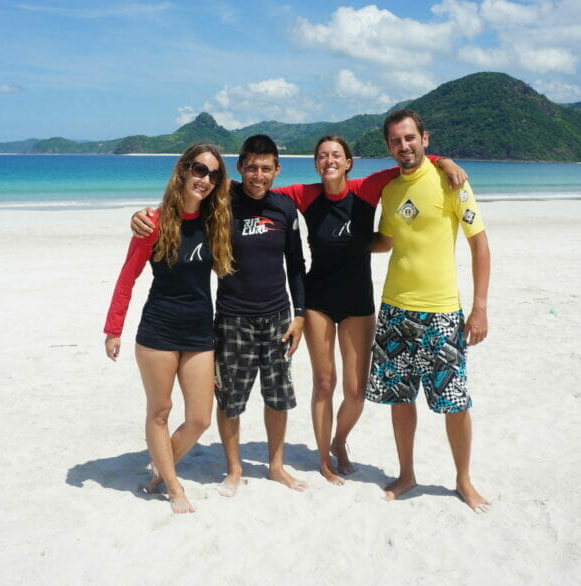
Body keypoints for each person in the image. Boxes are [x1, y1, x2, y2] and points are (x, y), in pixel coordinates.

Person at [273, 137, 467, 484]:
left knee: (356, 393)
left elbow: (409, 161)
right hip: (318, 300)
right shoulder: (304, 194)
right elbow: (254, 192)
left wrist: (446, 160)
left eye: (336, 155)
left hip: (358, 303)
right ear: (316, 163)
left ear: (348, 162)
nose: (328, 160)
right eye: (322, 156)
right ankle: (324, 461)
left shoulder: (366, 188)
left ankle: (339, 440)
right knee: (323, 383)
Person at [131, 135, 308, 494]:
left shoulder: (285, 209)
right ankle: (233, 468)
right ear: (240, 167)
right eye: (252, 167)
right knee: (230, 400)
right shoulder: (222, 203)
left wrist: (300, 314)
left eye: (266, 168)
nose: (259, 175)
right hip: (231, 316)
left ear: (277, 170)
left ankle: (275, 466)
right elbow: (185, 201)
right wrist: (141, 217)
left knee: (277, 396)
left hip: (277, 317)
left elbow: (297, 265)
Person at [366, 109, 492, 512]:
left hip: (441, 313)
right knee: (400, 399)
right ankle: (406, 474)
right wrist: (345, 245)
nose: (404, 146)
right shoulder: (389, 190)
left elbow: (480, 245)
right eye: (396, 141)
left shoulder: (452, 181)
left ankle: (463, 480)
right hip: (394, 310)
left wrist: (479, 308)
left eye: (410, 138)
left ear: (425, 138)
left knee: (454, 403)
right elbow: (387, 240)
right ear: (388, 146)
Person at [103, 144, 234, 514]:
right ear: (183, 171)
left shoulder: (215, 222)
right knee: (160, 412)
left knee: (199, 419)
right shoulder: (153, 223)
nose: (204, 179)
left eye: (212, 174)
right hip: (158, 331)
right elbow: (127, 278)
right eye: (198, 169)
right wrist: (113, 329)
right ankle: (173, 486)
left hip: (198, 334)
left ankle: (161, 470)